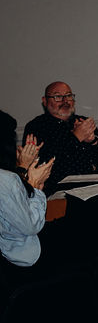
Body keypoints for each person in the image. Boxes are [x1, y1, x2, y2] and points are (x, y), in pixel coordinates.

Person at [23, 81, 98, 194]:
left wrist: (93, 141)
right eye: (58, 97)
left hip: (94, 185)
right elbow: (48, 166)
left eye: (68, 96)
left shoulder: (82, 122)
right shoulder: (36, 127)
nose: (65, 101)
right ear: (45, 101)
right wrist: (76, 137)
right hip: (59, 190)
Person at [1, 111, 53, 267]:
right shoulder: (6, 179)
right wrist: (35, 185)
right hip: (17, 254)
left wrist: (22, 168)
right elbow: (30, 226)